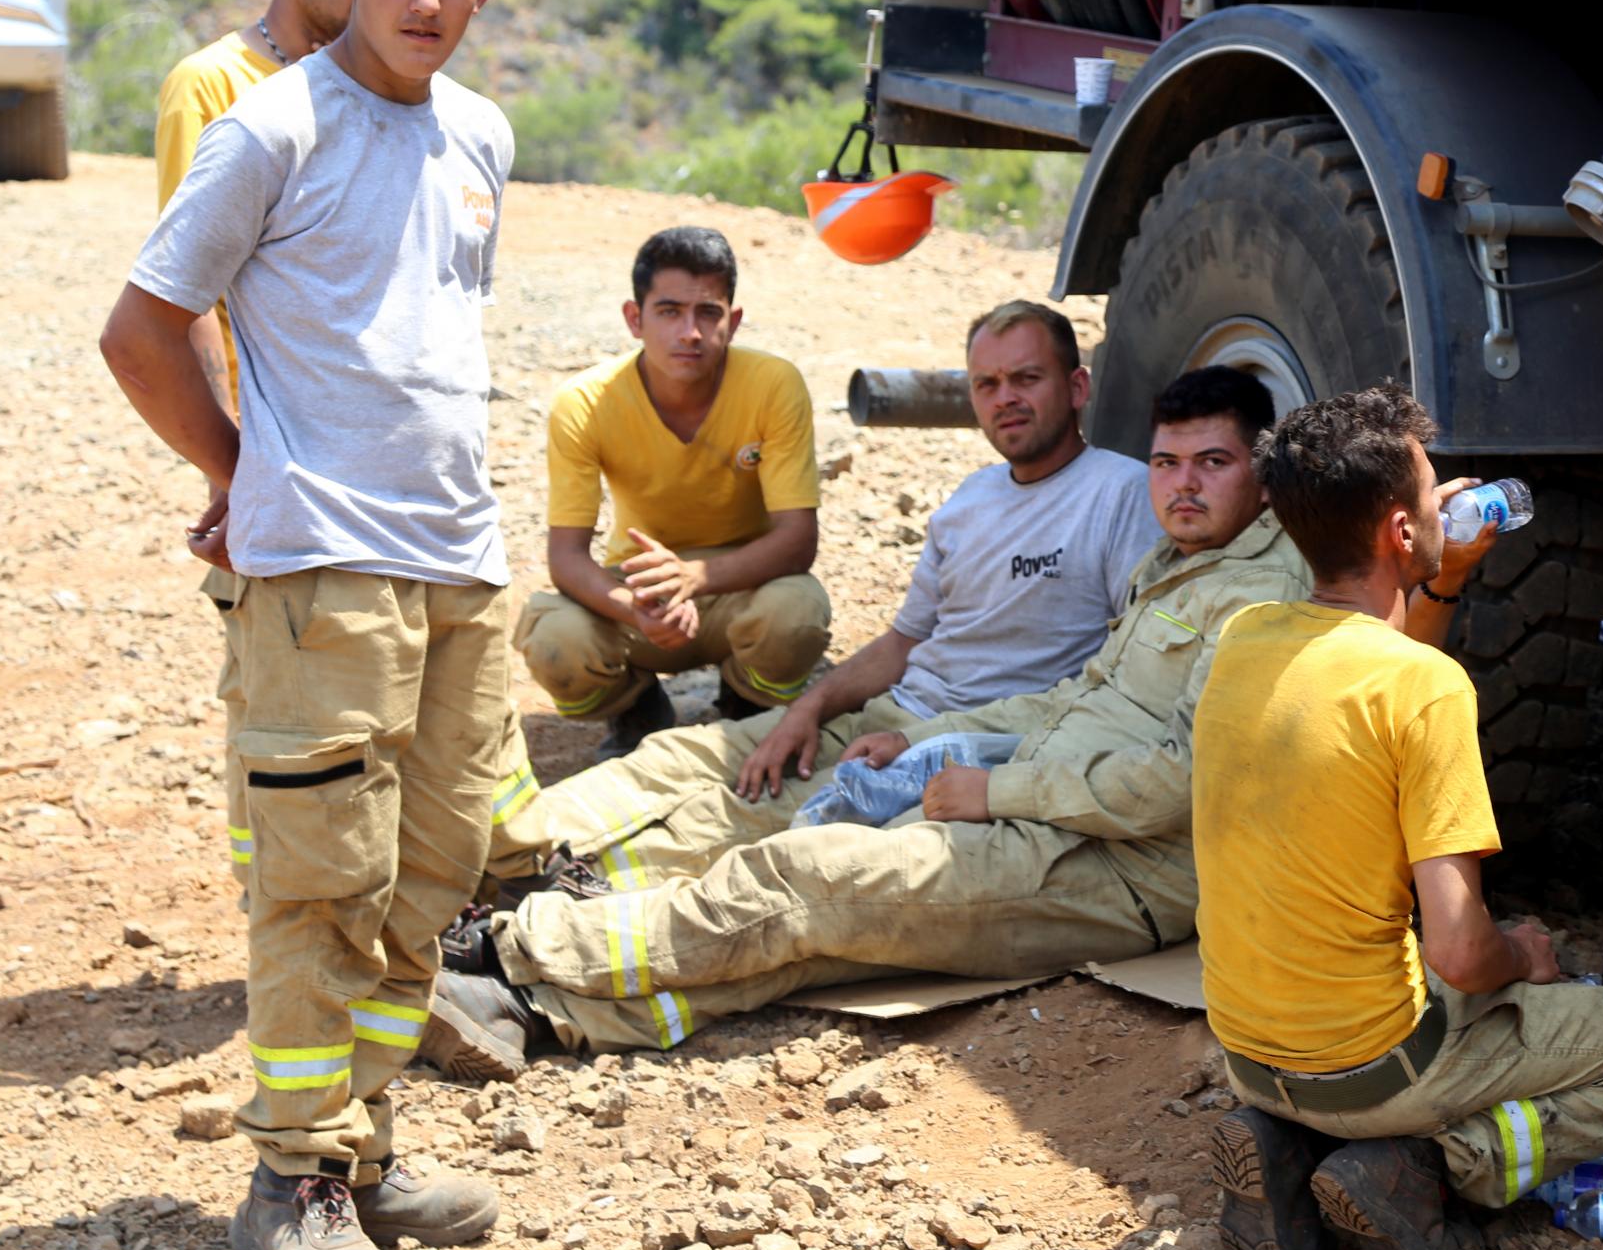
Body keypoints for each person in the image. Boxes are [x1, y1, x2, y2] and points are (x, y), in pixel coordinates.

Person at [416, 367, 1304, 1073]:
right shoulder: (1182, 564)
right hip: (1035, 800)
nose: (1182, 486)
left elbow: (1179, 782)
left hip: (1116, 868)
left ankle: (503, 953)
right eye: (1168, 463)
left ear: (1262, 470)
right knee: (819, 934)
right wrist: (919, 746)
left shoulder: (1259, 601)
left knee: (805, 878)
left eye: (1212, 464)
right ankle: (539, 1009)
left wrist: (993, 789)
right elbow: (1070, 699)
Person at [97, 0, 517, 1250]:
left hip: (461, 564)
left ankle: (366, 1136)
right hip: (323, 568)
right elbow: (142, 329)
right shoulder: (271, 127)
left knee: (431, 879)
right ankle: (294, 1180)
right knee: (318, 883)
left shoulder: (481, 135)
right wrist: (238, 476)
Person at [1197, 386, 1603, 1250]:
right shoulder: (1429, 692)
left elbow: (1377, 671)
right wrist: (1523, 954)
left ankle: (1286, 1146)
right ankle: (1435, 1168)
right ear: (1401, 531)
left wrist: (1441, 577)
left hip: (1249, 1055)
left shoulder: (1246, 638)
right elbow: (1459, 953)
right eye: (1431, 490)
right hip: (1377, 1070)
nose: (1447, 501)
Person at [488, 299, 1157, 889]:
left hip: (964, 742)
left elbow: (1125, 678)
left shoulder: (1121, 494)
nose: (1005, 397)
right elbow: (905, 640)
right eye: (987, 383)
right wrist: (807, 708)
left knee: (737, 812)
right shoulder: (968, 501)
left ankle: (542, 887)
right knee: (677, 757)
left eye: (1026, 378)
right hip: (889, 712)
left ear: (1076, 387)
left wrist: (937, 744)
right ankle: (496, 848)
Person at [153, 0, 358, 893]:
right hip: (273, 448)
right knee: (273, 688)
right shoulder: (216, 86)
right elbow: (185, 292)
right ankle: (273, 908)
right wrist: (231, 466)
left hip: (355, 455)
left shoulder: (369, 84)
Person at [510, 226, 832, 753]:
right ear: (634, 319)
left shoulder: (774, 384)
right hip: (642, 594)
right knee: (554, 642)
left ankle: (747, 702)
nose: (691, 332)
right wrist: (633, 607)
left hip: (740, 586)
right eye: (669, 311)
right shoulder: (584, 402)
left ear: (734, 319)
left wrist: (696, 577)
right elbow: (566, 557)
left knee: (796, 614)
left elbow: (798, 540)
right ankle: (635, 709)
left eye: (708, 313)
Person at [156, 0, 360, 418]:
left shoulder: (372, 83)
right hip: (262, 426)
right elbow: (186, 286)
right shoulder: (206, 85)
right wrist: (222, 458)